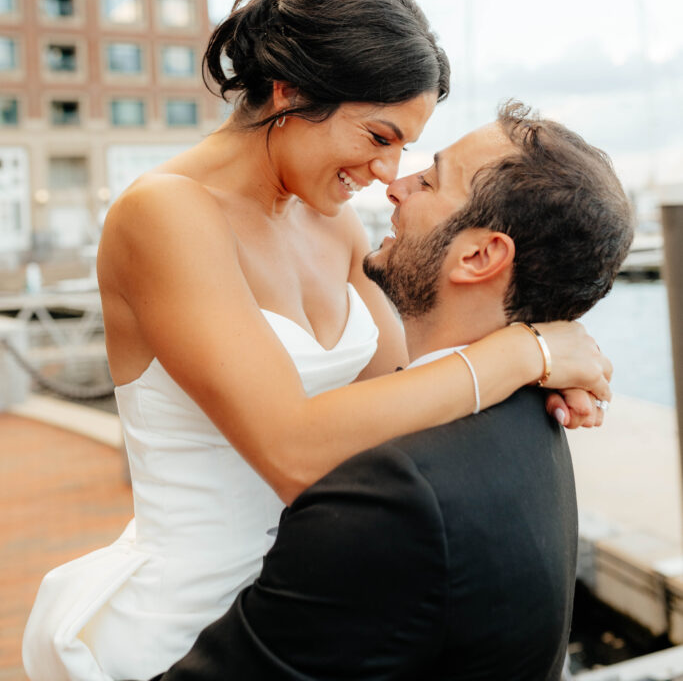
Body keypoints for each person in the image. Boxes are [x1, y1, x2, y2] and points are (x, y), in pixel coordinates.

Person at [23, 0, 610, 681]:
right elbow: (292, 449)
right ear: (290, 91)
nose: (388, 170)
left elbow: (400, 397)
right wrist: (521, 353)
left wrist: (547, 374)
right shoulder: (166, 214)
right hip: (192, 624)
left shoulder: (331, 225)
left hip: (324, 595)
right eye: (378, 134)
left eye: (405, 146)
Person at [146, 104, 634, 681]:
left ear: (479, 255)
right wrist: (530, 350)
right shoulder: (532, 413)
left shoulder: (391, 497)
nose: (393, 182)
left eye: (427, 179)